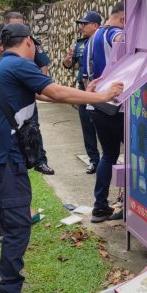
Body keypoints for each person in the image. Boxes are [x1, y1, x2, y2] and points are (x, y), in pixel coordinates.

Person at [0, 23, 123, 293]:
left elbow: (42, 95)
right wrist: (102, 97)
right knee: (16, 225)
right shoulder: (19, 64)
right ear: (28, 41)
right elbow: (55, 91)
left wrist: (85, 92)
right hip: (3, 160)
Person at [83, 3, 125, 223]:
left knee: (108, 155)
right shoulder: (114, 32)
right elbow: (120, 39)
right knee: (136, 154)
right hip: (116, 106)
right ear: (123, 19)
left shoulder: (94, 36)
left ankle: (100, 207)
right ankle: (131, 204)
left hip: (97, 104)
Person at [6, 11, 54, 175]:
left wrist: (39, 83)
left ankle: (39, 160)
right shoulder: (0, 43)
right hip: (8, 96)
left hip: (28, 93)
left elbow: (43, 63)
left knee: (32, 127)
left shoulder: (32, 42)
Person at [62, 10, 102, 174]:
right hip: (82, 89)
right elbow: (68, 65)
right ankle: (93, 160)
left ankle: (109, 160)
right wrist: (68, 59)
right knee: (87, 126)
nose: (82, 27)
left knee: (103, 126)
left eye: (85, 24)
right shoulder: (80, 43)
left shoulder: (103, 41)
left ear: (95, 25)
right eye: (81, 24)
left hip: (100, 90)